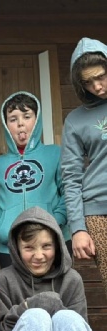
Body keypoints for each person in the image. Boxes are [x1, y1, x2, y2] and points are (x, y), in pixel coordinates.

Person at [0, 92, 69, 269]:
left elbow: (68, 192)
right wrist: (0, 228)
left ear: (37, 120)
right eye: (13, 119)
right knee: (15, 288)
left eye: (27, 116)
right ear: (6, 125)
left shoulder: (55, 154)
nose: (20, 123)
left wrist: (53, 223)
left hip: (52, 243)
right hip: (10, 247)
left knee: (56, 287)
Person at [61, 38, 107, 298]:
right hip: (99, 212)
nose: (97, 86)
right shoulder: (75, 120)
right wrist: (77, 228)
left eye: (101, 76)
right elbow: (71, 177)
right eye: (88, 82)